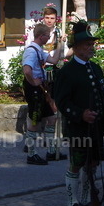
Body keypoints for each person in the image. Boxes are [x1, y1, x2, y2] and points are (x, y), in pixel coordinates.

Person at [53, 21, 104, 206]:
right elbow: (62, 102)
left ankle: (87, 200)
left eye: (91, 44)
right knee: (77, 163)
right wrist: (80, 114)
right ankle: (72, 204)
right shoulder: (67, 72)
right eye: (87, 44)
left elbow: (103, 98)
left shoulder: (95, 69)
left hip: (96, 127)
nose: (90, 47)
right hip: (78, 127)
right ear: (76, 47)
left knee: (93, 163)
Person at [23, 23, 64, 165]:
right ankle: (31, 154)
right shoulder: (31, 51)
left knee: (52, 118)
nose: (48, 38)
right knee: (34, 120)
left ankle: (51, 151)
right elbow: (27, 70)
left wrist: (60, 45)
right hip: (34, 88)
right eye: (47, 35)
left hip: (40, 88)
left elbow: (53, 60)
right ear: (41, 36)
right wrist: (33, 81)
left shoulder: (38, 50)